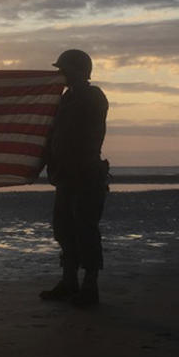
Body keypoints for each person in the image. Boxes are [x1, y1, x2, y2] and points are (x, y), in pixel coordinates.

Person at [41, 49, 109, 308]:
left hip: (87, 175)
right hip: (66, 177)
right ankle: (69, 281)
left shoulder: (92, 96)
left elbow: (82, 123)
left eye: (65, 70)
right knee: (64, 231)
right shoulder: (66, 99)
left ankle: (90, 286)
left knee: (86, 231)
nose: (61, 74)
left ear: (80, 71)